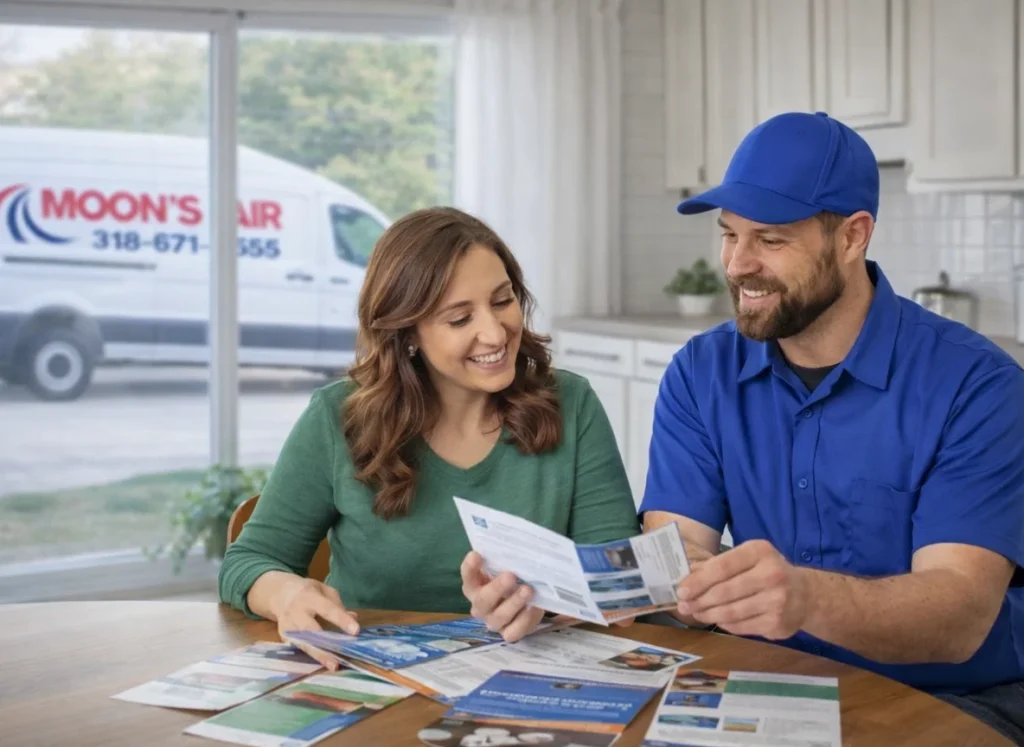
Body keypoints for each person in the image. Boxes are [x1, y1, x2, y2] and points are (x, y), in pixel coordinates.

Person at [640, 111, 1024, 743]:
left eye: (770, 239)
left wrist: (805, 598)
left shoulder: (977, 385)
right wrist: (555, 583)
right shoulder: (700, 373)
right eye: (729, 235)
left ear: (853, 236)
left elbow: (958, 615)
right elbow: (678, 561)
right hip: (769, 680)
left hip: (955, 696)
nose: (738, 265)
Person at [219, 206, 639, 666]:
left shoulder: (572, 404)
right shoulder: (336, 418)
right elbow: (248, 561)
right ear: (408, 332)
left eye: (502, 301)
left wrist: (551, 604)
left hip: (533, 675)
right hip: (376, 681)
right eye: (460, 319)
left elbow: (620, 581)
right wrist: (285, 592)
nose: (494, 332)